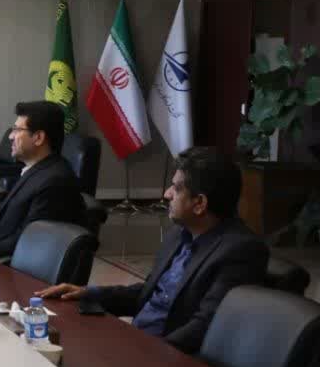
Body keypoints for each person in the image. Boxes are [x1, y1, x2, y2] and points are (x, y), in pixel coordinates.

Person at [37, 147, 268, 354]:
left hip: (169, 360)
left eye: (176, 188)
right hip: (138, 343)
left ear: (199, 203)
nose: (167, 194)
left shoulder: (239, 251)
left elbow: (205, 326)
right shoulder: (178, 233)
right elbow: (148, 293)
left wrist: (148, 354)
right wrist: (88, 293)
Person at [0, 100, 86, 259]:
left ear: (38, 138)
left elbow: (28, 239)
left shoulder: (55, 182)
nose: (10, 136)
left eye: (17, 130)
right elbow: (6, 228)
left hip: (12, 267)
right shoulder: (35, 170)